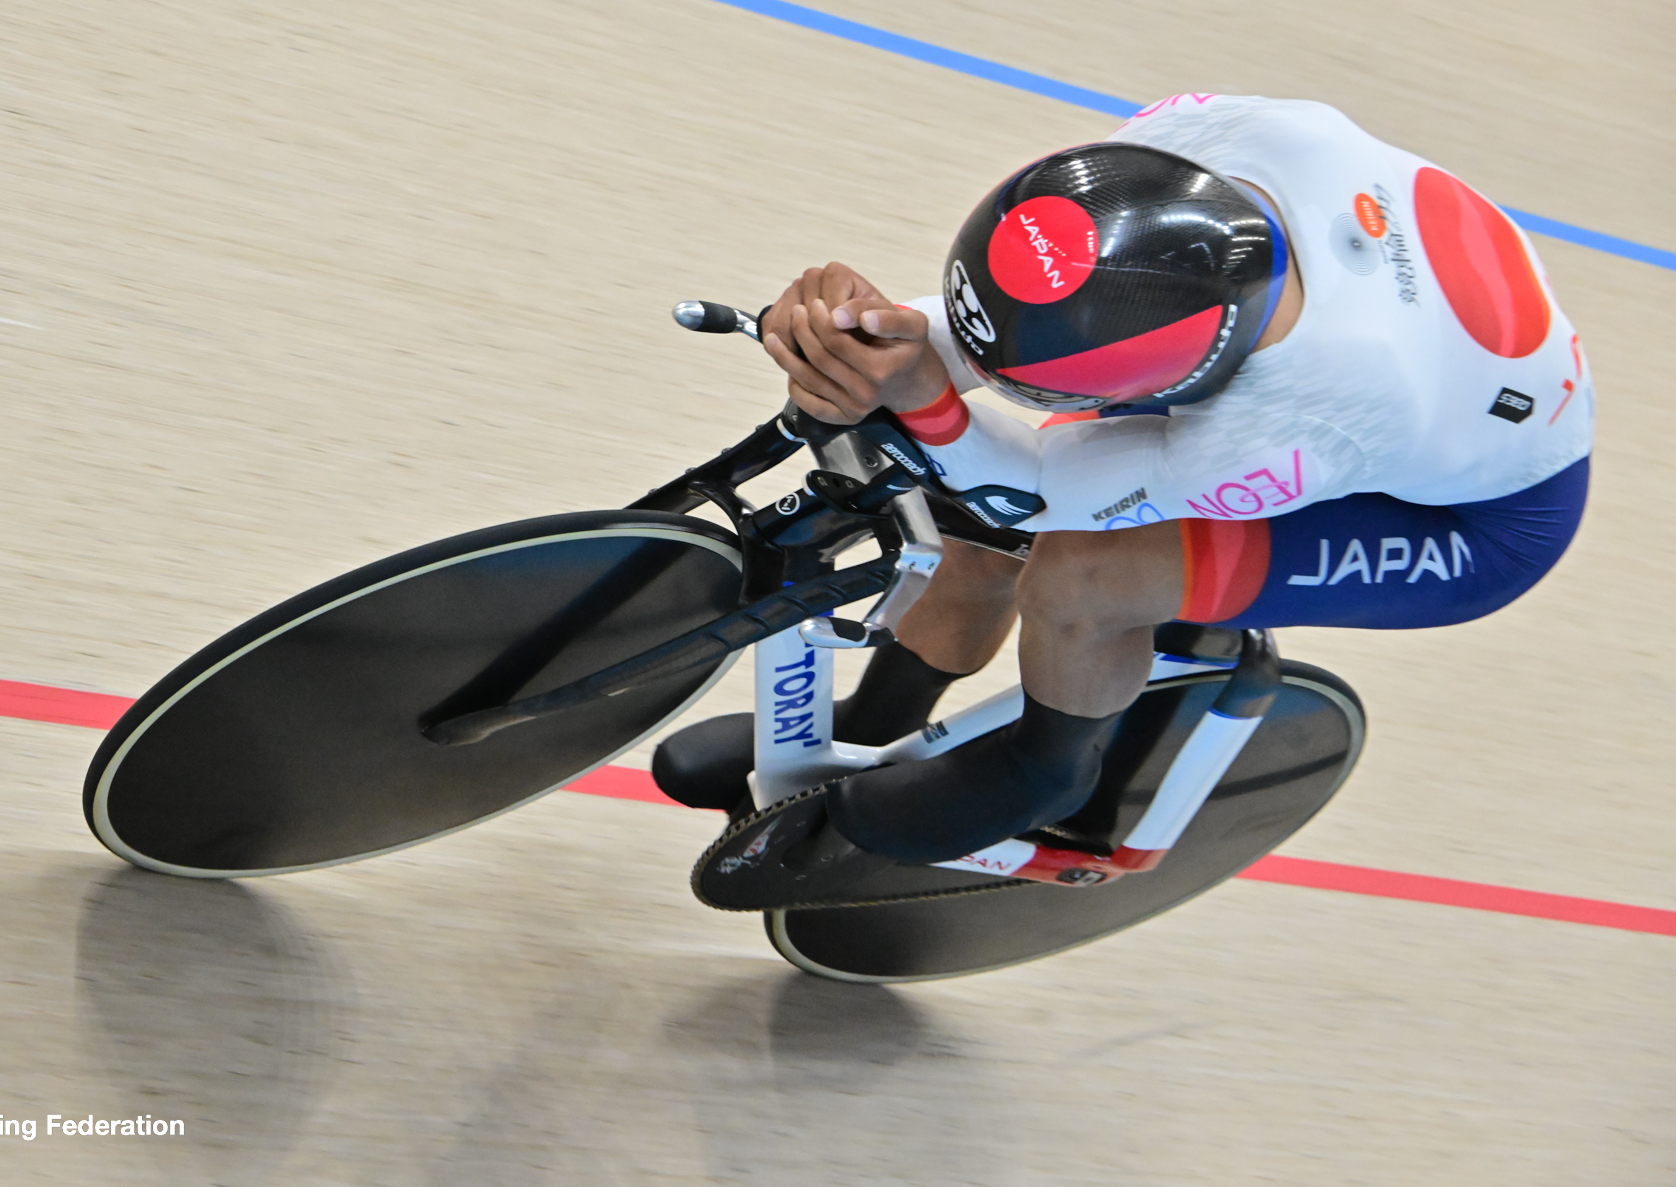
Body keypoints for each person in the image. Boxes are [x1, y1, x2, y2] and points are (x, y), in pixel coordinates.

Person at [653, 94, 1593, 865]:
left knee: (1081, 576)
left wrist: (928, 396)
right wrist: (875, 334)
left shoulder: (1305, 412)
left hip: (1476, 517)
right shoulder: (1200, 142)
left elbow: (1035, 499)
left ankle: (1050, 762)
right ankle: (873, 722)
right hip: (1389, 383)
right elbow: (1011, 322)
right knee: (964, 504)